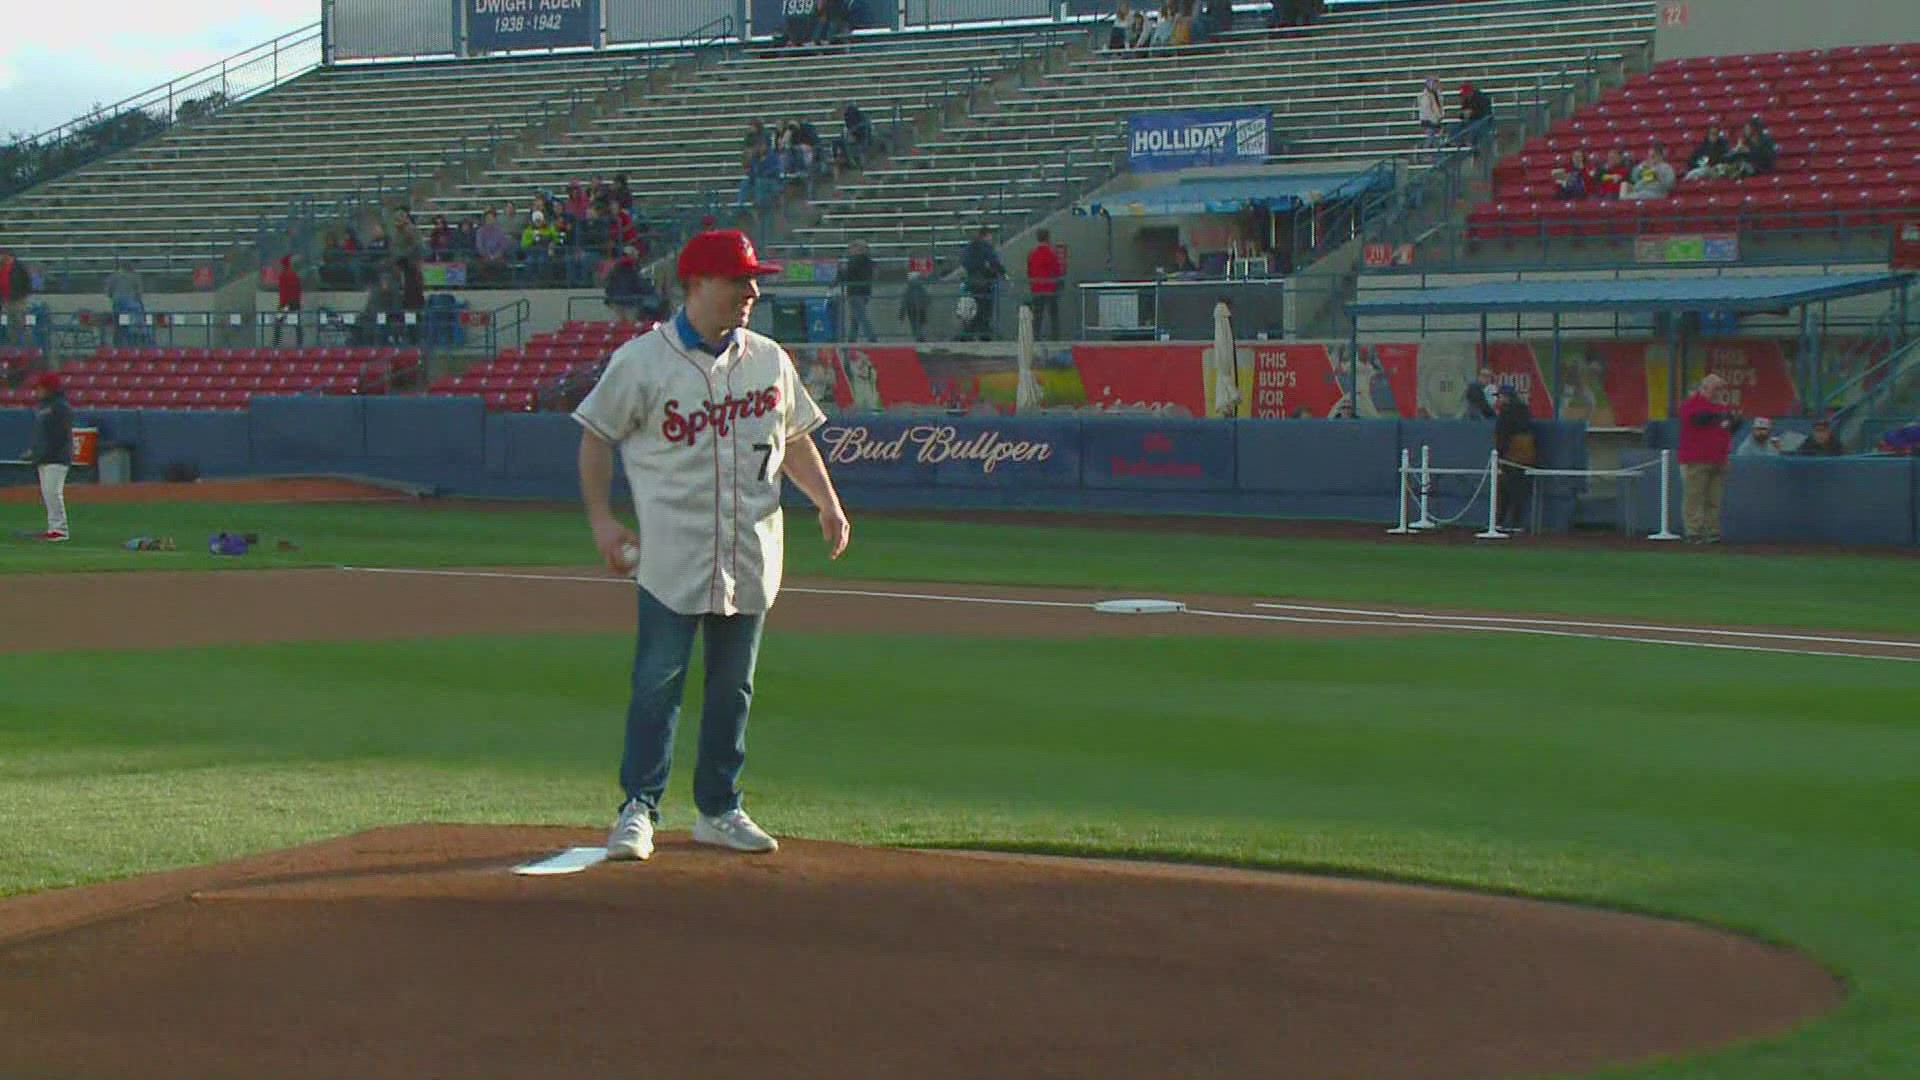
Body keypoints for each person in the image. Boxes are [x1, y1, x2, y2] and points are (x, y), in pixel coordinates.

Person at [573, 229, 849, 862]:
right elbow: (594, 434)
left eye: (754, 280)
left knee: (734, 689)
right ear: (695, 285)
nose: (753, 291)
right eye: (739, 279)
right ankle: (638, 808)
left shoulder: (768, 359)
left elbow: (795, 435)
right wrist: (602, 521)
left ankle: (719, 808)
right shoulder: (643, 361)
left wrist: (827, 501)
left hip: (750, 550)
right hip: (673, 556)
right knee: (656, 685)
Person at [1677, 373, 1738, 543]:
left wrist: (1731, 419)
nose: (1719, 392)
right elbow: (1699, 419)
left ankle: (1712, 531)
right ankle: (1693, 531)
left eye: (1721, 389)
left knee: (1714, 499)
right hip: (1696, 459)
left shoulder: (1720, 407)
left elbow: (1732, 425)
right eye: (1715, 389)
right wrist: (1723, 417)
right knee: (1694, 498)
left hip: (1718, 458)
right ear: (1704, 388)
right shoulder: (1692, 404)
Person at [25, 371, 73, 542]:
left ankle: (60, 530)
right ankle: (53, 527)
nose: (37, 391)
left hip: (57, 457)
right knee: (47, 493)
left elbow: (59, 435)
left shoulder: (60, 406)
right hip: (44, 457)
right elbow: (41, 434)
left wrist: (44, 451)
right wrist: (35, 451)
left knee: (53, 492)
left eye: (40, 387)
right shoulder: (43, 406)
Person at [1493, 385, 1536, 533]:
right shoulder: (1524, 410)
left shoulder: (1506, 412)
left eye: (1500, 396)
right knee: (1518, 489)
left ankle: (1500, 521)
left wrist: (1499, 454)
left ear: (1506, 397)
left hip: (1511, 454)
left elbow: (1503, 435)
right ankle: (1516, 522)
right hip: (1526, 454)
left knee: (1506, 488)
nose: (1499, 399)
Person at [959, 226, 1005, 341]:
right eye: (990, 236)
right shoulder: (986, 247)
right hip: (985, 283)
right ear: (985, 236)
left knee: (974, 309)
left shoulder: (970, 247)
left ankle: (969, 333)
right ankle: (983, 333)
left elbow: (964, 262)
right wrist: (1003, 273)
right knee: (985, 310)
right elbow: (994, 263)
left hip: (972, 283)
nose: (991, 239)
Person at [1026, 229, 1065, 339]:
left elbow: (1029, 271)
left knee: (1037, 315)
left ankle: (1035, 336)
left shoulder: (1032, 254)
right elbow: (1057, 271)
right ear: (1048, 238)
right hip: (1050, 288)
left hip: (1036, 288)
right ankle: (1055, 337)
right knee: (1053, 314)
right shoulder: (1052, 254)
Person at [840, 240, 876, 343]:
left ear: (857, 249)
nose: (849, 251)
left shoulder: (854, 261)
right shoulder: (869, 262)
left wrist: (841, 272)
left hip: (855, 292)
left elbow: (847, 275)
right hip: (865, 292)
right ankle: (852, 338)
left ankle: (871, 337)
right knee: (855, 316)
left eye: (851, 248)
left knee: (860, 316)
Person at [1, 248, 33, 344]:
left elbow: (27, 280)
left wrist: (23, 294)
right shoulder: (2, 266)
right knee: (9, 322)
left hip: (18, 298)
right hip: (6, 299)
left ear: (7, 255)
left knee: (21, 321)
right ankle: (13, 343)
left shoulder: (19, 267)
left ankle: (27, 344)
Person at [273, 255, 304, 347]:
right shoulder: (294, 275)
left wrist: (283, 304)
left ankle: (276, 342)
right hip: (295, 302)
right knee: (296, 323)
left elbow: (283, 292)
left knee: (278, 321)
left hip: (285, 304)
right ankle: (299, 342)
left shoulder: (283, 275)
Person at [899, 269, 931, 342]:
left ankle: (919, 336)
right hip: (920, 309)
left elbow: (904, 302)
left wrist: (901, 315)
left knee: (915, 325)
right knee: (920, 324)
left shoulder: (908, 290)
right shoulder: (921, 289)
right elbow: (927, 300)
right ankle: (920, 336)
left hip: (912, 310)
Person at [1416, 76, 1445, 152]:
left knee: (1434, 140)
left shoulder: (1437, 95)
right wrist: (1434, 120)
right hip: (1429, 122)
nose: (1437, 86)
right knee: (1430, 139)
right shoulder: (1426, 96)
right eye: (1435, 84)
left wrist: (1439, 117)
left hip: (1436, 121)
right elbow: (1427, 111)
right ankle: (1425, 153)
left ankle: (1430, 154)